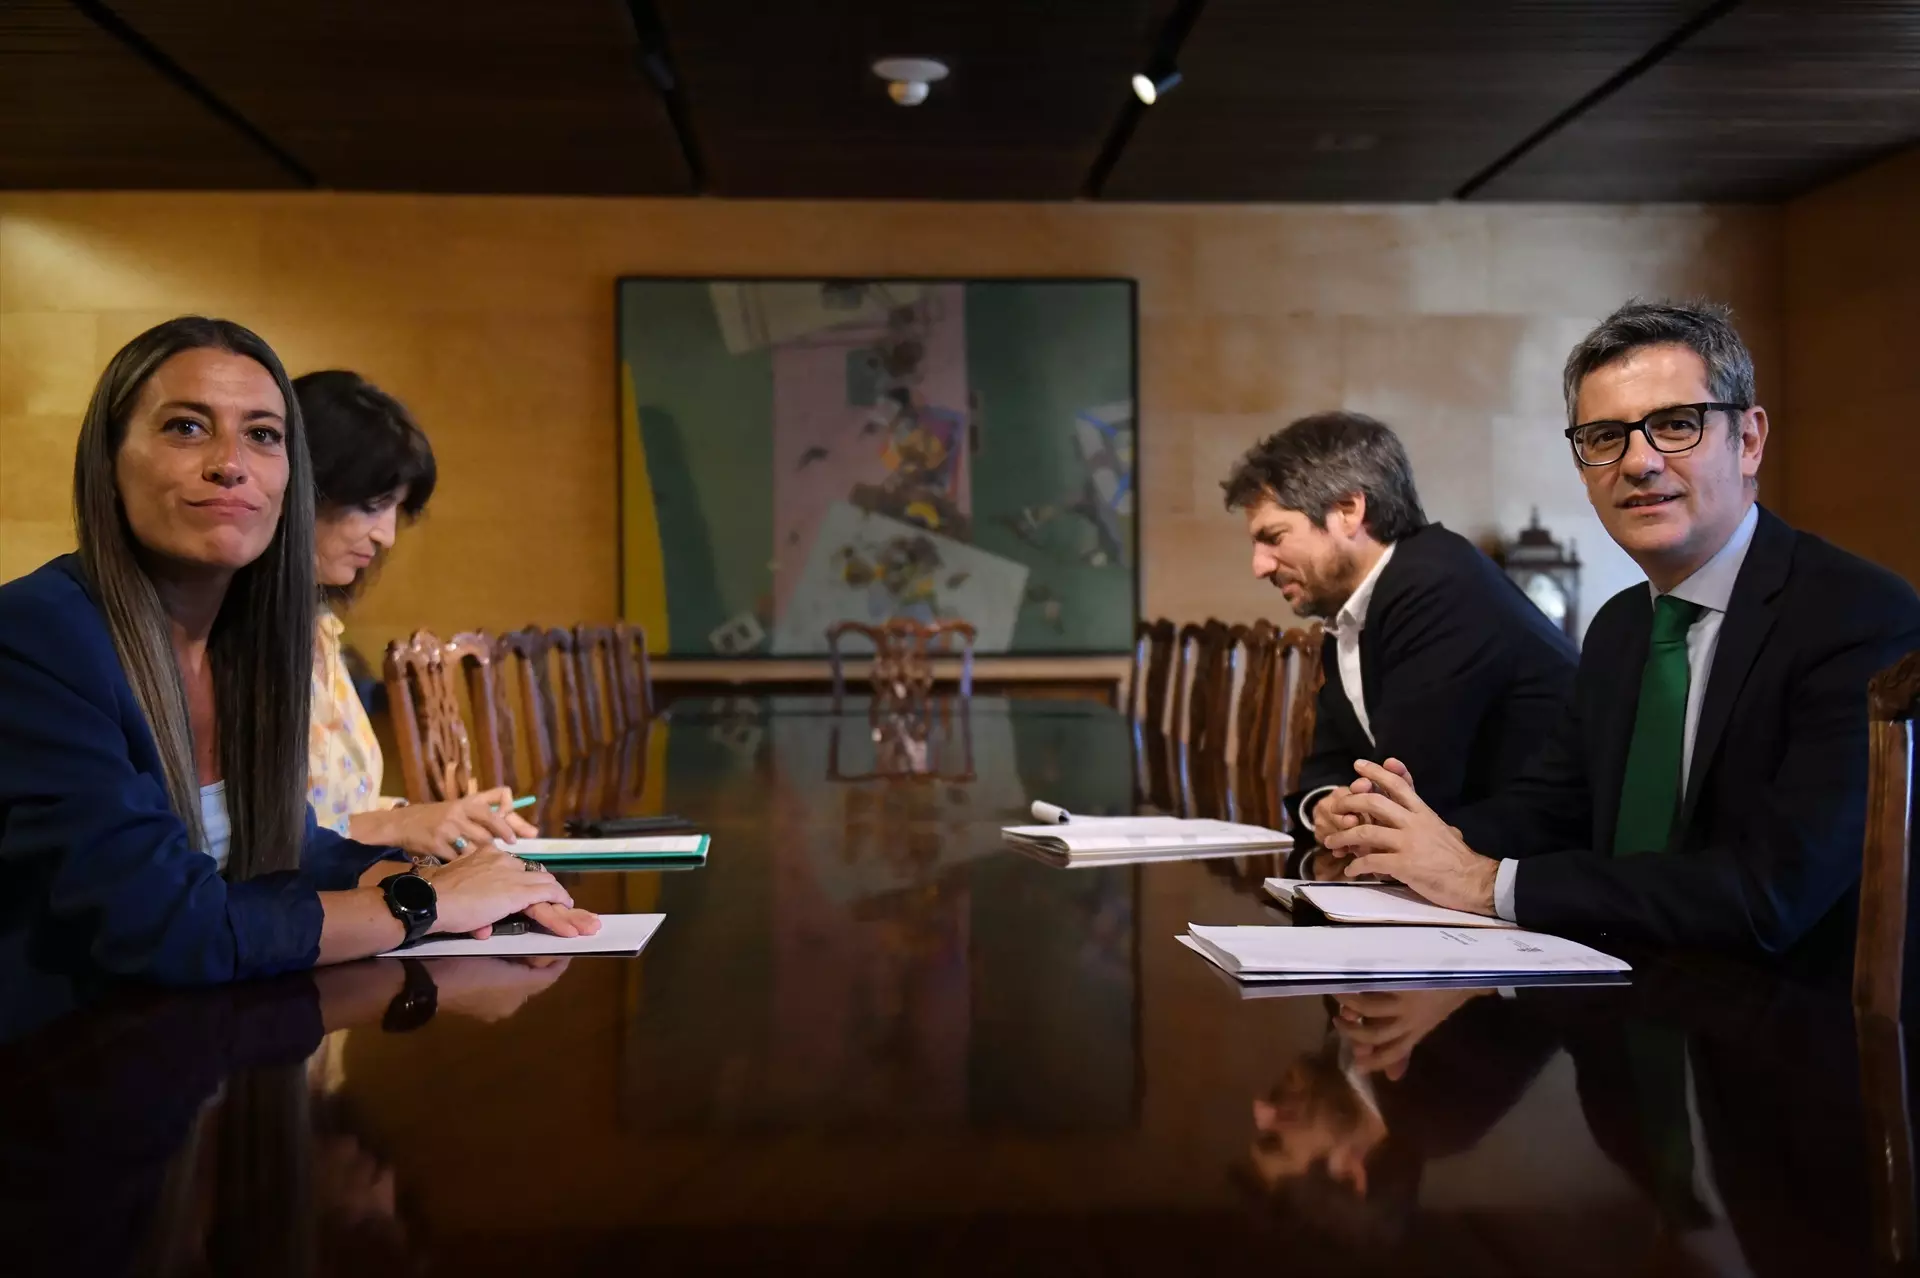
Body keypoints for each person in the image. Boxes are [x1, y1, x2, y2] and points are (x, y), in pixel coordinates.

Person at [0, 316, 598, 986]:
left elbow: (294, 847)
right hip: (69, 1064)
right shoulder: (35, 634)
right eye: (186, 427)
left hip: (217, 1044)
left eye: (262, 435)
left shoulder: (248, 639)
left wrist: (477, 885)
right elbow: (163, 924)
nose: (230, 463)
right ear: (108, 461)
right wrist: (425, 902)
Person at [1320, 300, 1920, 959]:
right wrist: (1401, 839)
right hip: (1620, 998)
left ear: (1748, 441)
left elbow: (1769, 895)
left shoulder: (1857, 617)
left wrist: (1482, 881)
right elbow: (1549, 810)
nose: (1639, 462)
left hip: (1794, 1029)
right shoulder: (1622, 625)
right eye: (1606, 437)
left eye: (1675, 425)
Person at [1220, 412, 1577, 865]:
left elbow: (1410, 790)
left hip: (1531, 874)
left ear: (1349, 511)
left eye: (1273, 537)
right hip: (1462, 861)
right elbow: (1329, 767)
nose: (1260, 566)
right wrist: (1325, 805)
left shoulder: (1437, 585)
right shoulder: (1354, 604)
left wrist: (1354, 816)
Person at [297, 369, 535, 861]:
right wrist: (405, 821)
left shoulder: (319, 627)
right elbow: (250, 846)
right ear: (303, 487)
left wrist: (440, 817)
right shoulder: (222, 640)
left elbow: (341, 808)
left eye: (395, 510)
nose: (386, 535)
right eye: (370, 505)